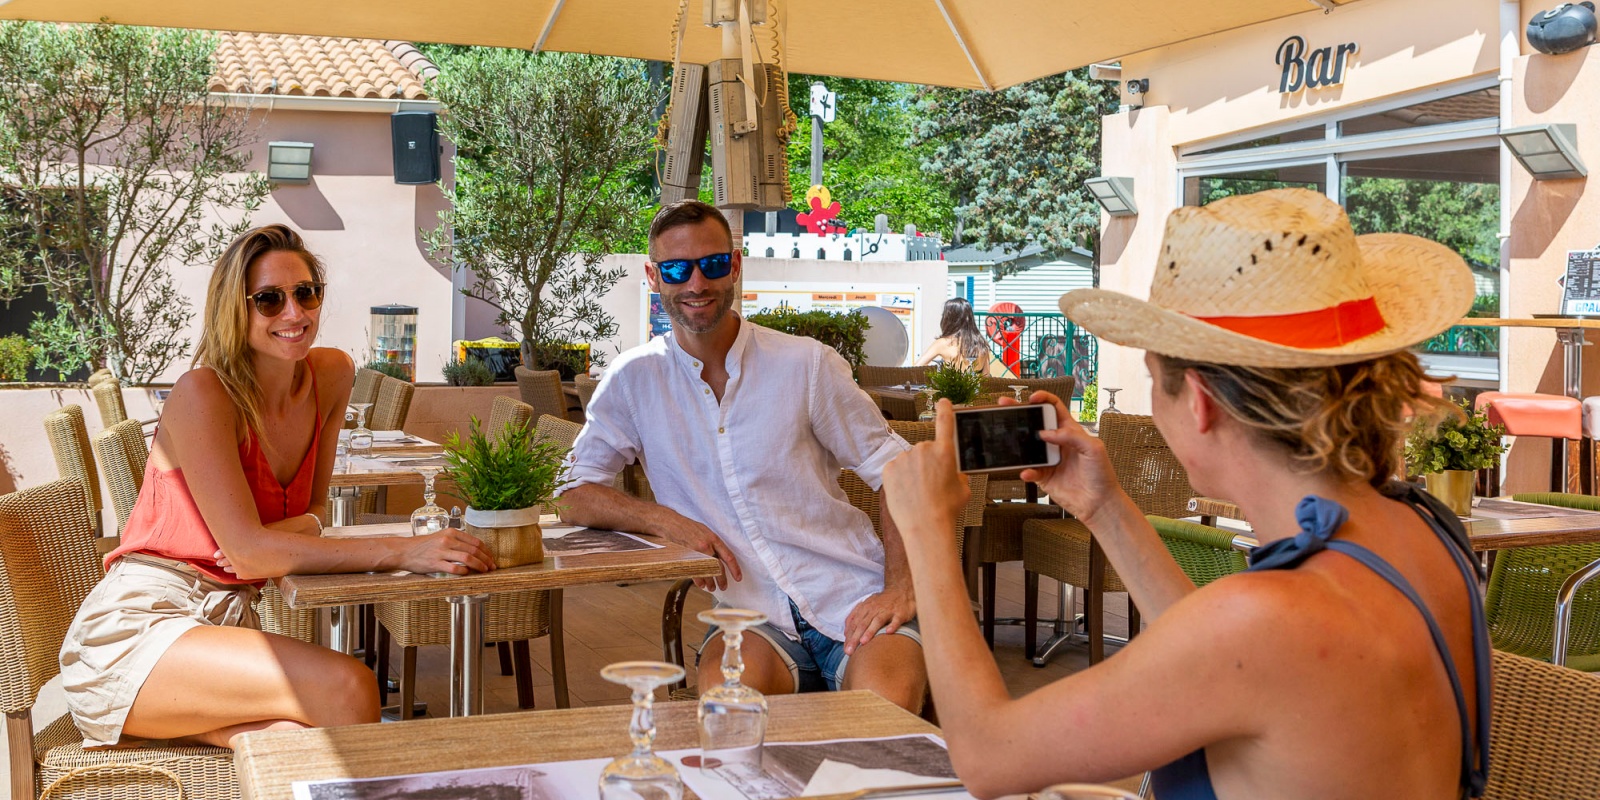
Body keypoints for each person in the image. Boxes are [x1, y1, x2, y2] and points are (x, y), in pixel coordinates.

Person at [882, 189, 1490, 799]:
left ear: (1198, 402)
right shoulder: (1429, 533)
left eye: (1153, 381)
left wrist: (929, 534)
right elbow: (1220, 658)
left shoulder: (1265, 621)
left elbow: (988, 756)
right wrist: (1105, 506)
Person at [59, 224, 494, 750]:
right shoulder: (204, 393)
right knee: (351, 686)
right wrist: (404, 549)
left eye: (305, 293)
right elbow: (251, 554)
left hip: (220, 625)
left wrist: (265, 543)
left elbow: (311, 514)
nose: (294, 313)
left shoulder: (331, 374)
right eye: (268, 300)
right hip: (139, 629)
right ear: (234, 310)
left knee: (304, 743)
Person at [557, 199, 927, 711]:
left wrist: (901, 588)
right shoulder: (634, 380)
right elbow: (572, 495)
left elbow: (900, 472)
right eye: (675, 269)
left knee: (881, 718)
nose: (695, 284)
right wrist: (666, 521)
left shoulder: (806, 365)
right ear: (653, 275)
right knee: (727, 711)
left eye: (710, 265)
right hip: (750, 617)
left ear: (733, 265)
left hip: (853, 594)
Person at [915, 296, 991, 372]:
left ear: (949, 319)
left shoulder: (944, 343)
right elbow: (986, 377)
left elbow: (916, 367)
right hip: (974, 383)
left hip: (950, 383)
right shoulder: (982, 344)